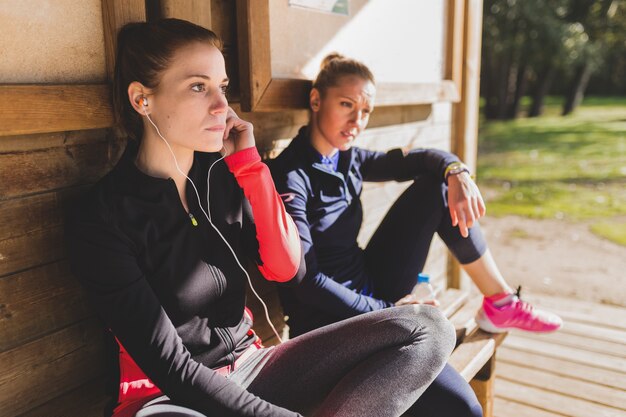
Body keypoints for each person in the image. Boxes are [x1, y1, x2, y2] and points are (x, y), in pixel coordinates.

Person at [66, 20, 459, 417]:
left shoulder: (224, 178)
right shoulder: (102, 216)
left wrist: (250, 167)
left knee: (428, 329)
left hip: (253, 368)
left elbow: (287, 267)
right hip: (169, 400)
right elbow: (171, 368)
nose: (221, 106)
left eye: (221, 87)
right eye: (198, 87)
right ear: (141, 99)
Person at [270, 53, 564, 415]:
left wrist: (456, 170)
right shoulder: (289, 176)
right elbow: (307, 282)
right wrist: (389, 310)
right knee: (464, 408)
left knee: (436, 187)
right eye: (346, 105)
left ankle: (500, 303)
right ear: (316, 100)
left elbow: (422, 159)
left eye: (365, 111)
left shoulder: (347, 158)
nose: (356, 121)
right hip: (331, 325)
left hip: (373, 293)